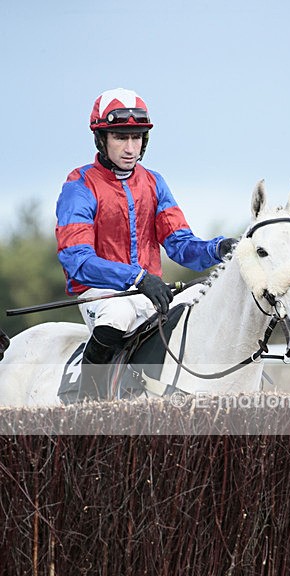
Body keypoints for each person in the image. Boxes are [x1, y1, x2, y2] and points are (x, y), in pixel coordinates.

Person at [55, 87, 237, 400]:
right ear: (102, 139)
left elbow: (179, 243)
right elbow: (77, 260)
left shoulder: (153, 182)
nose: (130, 148)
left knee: (198, 301)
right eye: (120, 137)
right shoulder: (79, 185)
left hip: (147, 291)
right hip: (101, 293)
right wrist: (137, 277)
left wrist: (216, 249)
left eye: (136, 137)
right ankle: (87, 408)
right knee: (119, 315)